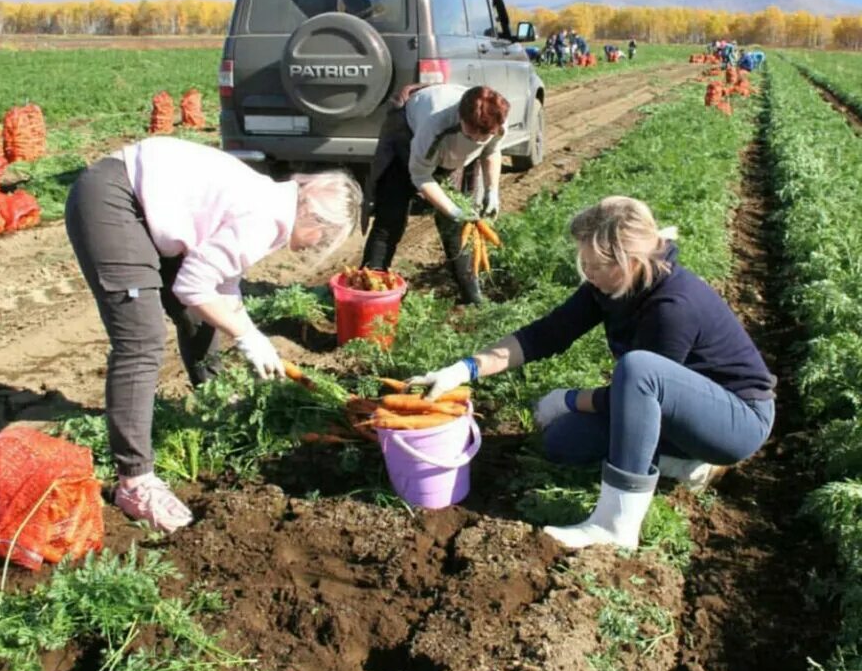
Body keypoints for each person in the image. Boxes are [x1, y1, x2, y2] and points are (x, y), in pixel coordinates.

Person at [407, 196, 776, 550]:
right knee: (563, 442)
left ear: (629, 261)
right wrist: (464, 369)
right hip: (675, 415)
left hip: (734, 421)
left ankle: (616, 526)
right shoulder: (610, 286)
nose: (590, 275)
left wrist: (569, 399)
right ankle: (685, 466)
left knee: (639, 369)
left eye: (597, 266)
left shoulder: (672, 307)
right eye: (586, 265)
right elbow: (546, 334)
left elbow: (636, 392)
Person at [65, 136, 363, 532]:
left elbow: (220, 286)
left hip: (143, 201)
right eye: (322, 238)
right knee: (142, 339)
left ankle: (218, 400)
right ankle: (135, 481)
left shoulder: (271, 200)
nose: (316, 246)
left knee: (201, 315)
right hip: (114, 200)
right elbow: (193, 286)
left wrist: (250, 330)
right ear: (314, 217)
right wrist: (246, 336)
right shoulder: (267, 216)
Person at [360, 83, 508, 304]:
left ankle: (472, 295)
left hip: (447, 152)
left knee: (458, 228)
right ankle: (370, 286)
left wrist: (492, 190)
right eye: (472, 133)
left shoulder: (496, 123)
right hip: (406, 136)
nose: (478, 140)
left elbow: (492, 150)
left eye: (483, 134)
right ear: (460, 118)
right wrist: (452, 209)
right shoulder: (435, 125)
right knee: (391, 216)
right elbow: (420, 176)